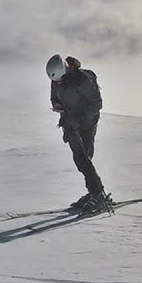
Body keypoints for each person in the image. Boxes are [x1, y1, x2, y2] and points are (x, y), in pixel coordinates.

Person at [46, 54, 112, 212]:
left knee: (84, 157)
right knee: (81, 159)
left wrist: (79, 120)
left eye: (60, 79)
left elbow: (97, 104)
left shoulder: (82, 79)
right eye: (55, 81)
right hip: (70, 124)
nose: (57, 82)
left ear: (66, 70)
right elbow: (55, 96)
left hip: (87, 122)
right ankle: (94, 193)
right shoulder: (56, 80)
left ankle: (97, 195)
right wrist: (56, 105)